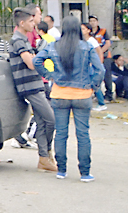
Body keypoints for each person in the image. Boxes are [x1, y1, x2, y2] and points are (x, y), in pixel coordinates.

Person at [34, 15, 103, 182]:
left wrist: (50, 76)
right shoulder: (86, 46)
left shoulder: (54, 46)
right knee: (83, 134)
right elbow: (100, 70)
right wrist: (93, 86)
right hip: (82, 95)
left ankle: (62, 170)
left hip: (59, 94)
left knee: (61, 133)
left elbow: (37, 60)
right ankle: (85, 172)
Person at [10, 7, 57, 172]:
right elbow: (31, 63)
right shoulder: (18, 40)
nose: (33, 23)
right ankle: (46, 153)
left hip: (35, 83)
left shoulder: (25, 39)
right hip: (28, 86)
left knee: (43, 121)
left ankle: (44, 158)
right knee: (51, 119)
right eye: (30, 21)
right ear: (22, 23)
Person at [81, 23, 107, 111]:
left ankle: (101, 103)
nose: (82, 31)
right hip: (85, 65)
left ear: (89, 30)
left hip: (92, 65)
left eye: (84, 29)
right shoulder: (81, 40)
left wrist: (99, 63)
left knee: (94, 85)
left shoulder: (92, 40)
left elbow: (99, 51)